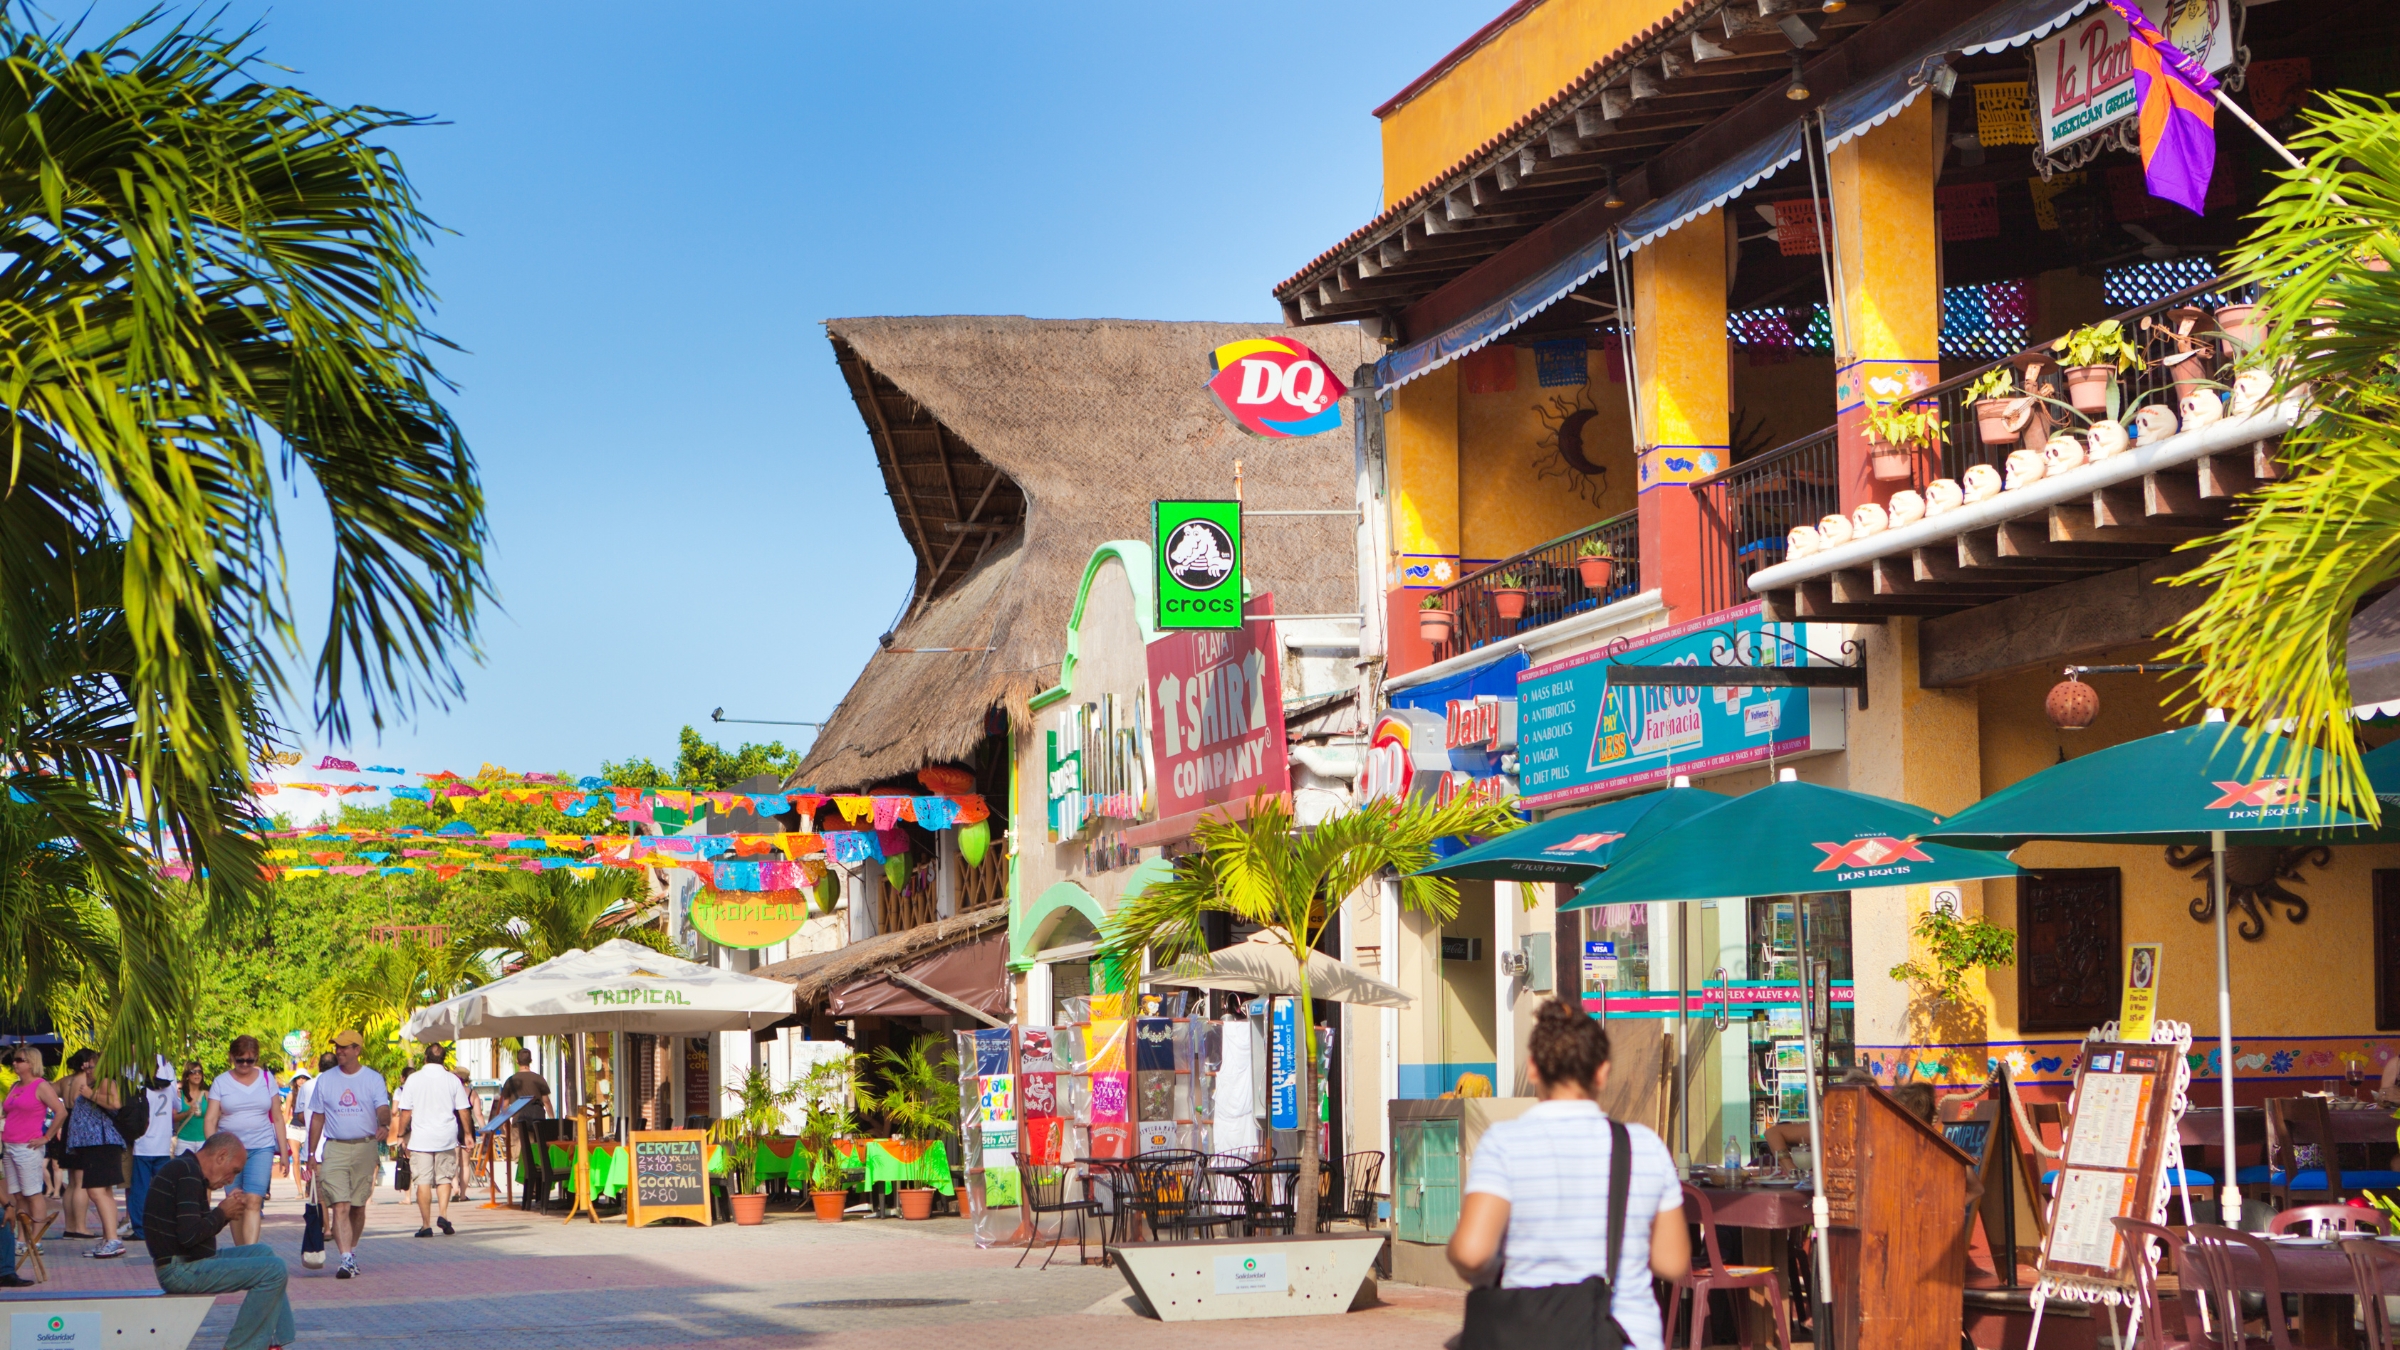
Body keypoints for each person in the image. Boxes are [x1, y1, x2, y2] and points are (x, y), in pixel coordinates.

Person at [1448, 1000, 1690, 1350]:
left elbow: (1472, 1253)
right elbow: (1673, 1261)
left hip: (1528, 1335)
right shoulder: (1644, 1146)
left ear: (1533, 1068)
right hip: (1627, 1336)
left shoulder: (1503, 1144)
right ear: (1602, 1072)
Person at [144, 1131, 292, 1350]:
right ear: (221, 1156)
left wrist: (223, 1215)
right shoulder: (186, 1173)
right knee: (274, 1269)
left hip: (189, 1262)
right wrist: (222, 1213)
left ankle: (274, 1343)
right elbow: (189, 1236)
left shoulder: (188, 1170)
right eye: (234, 1171)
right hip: (179, 1270)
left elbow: (192, 1233)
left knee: (263, 1252)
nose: (230, 1180)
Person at [303, 1030, 389, 1280]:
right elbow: (317, 1117)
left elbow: (382, 1108)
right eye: (337, 1047)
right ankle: (345, 1258)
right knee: (340, 1204)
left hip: (365, 1146)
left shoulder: (373, 1079)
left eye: (344, 1047)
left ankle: (351, 1251)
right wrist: (311, 1153)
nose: (339, 1051)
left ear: (357, 1050)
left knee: (357, 1207)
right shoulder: (325, 1080)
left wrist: (384, 1123)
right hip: (335, 1147)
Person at [203, 1037, 285, 1246]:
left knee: (254, 1200)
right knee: (236, 1201)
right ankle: (241, 1251)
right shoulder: (221, 1082)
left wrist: (284, 1152)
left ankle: (250, 1251)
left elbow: (277, 1117)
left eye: (251, 1060)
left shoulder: (267, 1079)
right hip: (229, 1151)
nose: (245, 1065)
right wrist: (213, 1152)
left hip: (261, 1147)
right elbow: (210, 1119)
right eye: (240, 1060)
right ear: (232, 1057)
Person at [392, 1043, 472, 1238]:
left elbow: (405, 1111)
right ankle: (443, 1215)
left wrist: (400, 1134)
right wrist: (468, 1134)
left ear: (425, 1058)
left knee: (423, 1181)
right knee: (444, 1178)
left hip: (421, 1138)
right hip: (446, 1136)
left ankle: (426, 1225)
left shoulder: (413, 1079)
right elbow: (463, 1110)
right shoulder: (453, 1080)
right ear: (443, 1060)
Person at [2, 1047, 64, 1261]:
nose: (15, 1063)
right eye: (14, 1060)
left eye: (19, 1060)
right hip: (10, 1144)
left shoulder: (41, 1085)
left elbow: (60, 1112)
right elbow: (9, 1111)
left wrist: (46, 1137)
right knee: (18, 1194)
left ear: (31, 1062)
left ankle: (36, 1239)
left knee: (33, 1193)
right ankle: (22, 1237)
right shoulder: (15, 1086)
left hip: (27, 1146)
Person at [63, 1068, 128, 1255]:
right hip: (94, 1144)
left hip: (101, 1143)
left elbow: (115, 1103)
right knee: (104, 1192)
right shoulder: (92, 1084)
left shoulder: (105, 1082)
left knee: (96, 1191)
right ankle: (109, 1238)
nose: (87, 1070)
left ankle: (112, 1239)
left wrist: (89, 1094)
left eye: (91, 1066)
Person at [495, 1047, 553, 1211]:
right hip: (537, 1117)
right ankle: (536, 1188)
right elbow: (546, 1101)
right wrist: (552, 1118)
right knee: (538, 1153)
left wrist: (504, 1121)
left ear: (517, 1061)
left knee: (521, 1155)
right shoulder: (538, 1079)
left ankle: (528, 1186)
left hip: (519, 1118)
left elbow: (505, 1104)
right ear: (531, 1061)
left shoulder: (511, 1080)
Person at [127, 1065, 179, 1244]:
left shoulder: (140, 1089)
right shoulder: (168, 1086)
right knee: (165, 1189)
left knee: (140, 1189)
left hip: (143, 1144)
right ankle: (165, 1225)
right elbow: (178, 1106)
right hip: (163, 1144)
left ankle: (140, 1229)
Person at [172, 1062, 208, 1156]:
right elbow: (172, 1118)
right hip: (184, 1141)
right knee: (184, 1165)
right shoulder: (179, 1095)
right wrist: (187, 1113)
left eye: (200, 1072)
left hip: (203, 1140)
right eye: (193, 1072)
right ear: (187, 1076)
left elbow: (213, 1117)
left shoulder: (206, 1095)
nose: (197, 1074)